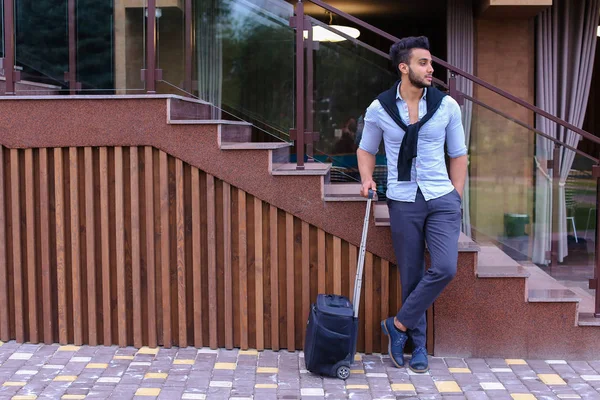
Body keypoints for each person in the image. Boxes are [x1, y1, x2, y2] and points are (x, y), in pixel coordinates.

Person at [356, 36, 468, 373]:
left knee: (445, 267)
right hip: (404, 200)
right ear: (404, 68)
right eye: (424, 63)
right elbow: (366, 149)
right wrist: (366, 178)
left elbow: (459, 154)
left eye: (430, 63)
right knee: (412, 274)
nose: (431, 69)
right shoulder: (380, 108)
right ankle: (416, 346)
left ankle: (398, 325)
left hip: (441, 198)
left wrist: (456, 195)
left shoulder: (446, 106)